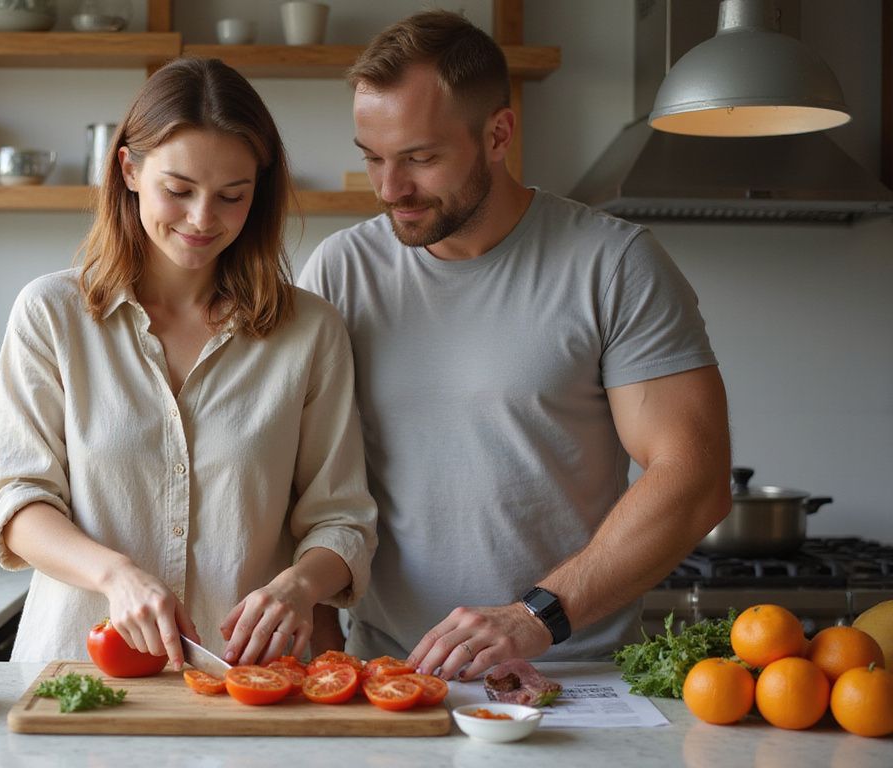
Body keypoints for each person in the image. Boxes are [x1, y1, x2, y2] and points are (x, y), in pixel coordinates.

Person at [297, 10, 732, 679]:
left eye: (420, 158)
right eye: (373, 158)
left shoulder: (613, 264)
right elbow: (305, 480)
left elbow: (694, 475)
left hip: (576, 672)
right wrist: (326, 654)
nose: (390, 190)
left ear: (498, 134)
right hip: (391, 675)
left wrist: (534, 617)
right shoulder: (340, 271)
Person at [0, 58, 377, 671]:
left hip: (248, 680)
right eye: (179, 189)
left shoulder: (310, 332)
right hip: (79, 674)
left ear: (259, 192)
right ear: (130, 169)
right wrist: (116, 576)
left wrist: (299, 586)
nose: (201, 219)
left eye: (231, 196)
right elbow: (18, 502)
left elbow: (342, 519)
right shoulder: (51, 315)